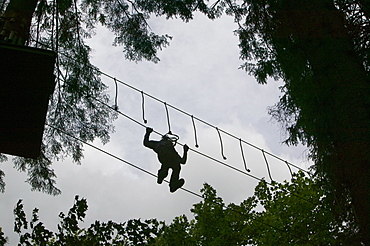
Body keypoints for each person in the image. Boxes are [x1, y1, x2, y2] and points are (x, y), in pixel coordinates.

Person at [143, 127, 189, 192]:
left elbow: (146, 143)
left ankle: (163, 175)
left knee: (168, 165)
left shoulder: (158, 144)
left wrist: (148, 132)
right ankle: (170, 181)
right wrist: (185, 151)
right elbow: (183, 161)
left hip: (165, 159)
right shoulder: (170, 149)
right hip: (168, 158)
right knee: (176, 167)